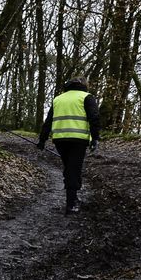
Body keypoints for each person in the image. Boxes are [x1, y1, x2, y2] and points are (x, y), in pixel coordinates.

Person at [37, 77, 101, 214]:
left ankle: (73, 198)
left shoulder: (58, 99)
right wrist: (95, 138)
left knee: (69, 168)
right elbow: (94, 118)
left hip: (60, 140)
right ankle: (71, 204)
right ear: (84, 85)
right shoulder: (87, 97)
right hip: (78, 140)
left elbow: (48, 121)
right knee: (74, 169)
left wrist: (42, 140)